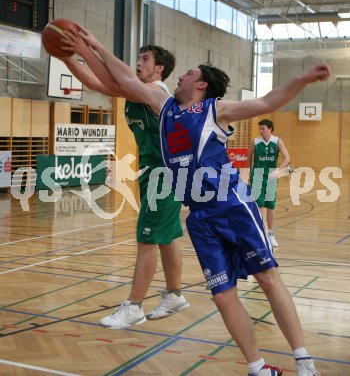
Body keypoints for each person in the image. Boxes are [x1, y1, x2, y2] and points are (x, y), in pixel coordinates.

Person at [61, 26, 329, 376]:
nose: (183, 74)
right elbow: (122, 79)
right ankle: (258, 367)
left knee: (267, 277)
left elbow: (267, 102)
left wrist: (302, 80)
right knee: (222, 294)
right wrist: (92, 44)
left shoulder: (215, 110)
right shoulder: (164, 105)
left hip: (231, 202)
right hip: (200, 216)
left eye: (189, 73)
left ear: (200, 85)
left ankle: (304, 360)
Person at [61, 38, 189, 329]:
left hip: (165, 173)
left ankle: (134, 307)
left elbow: (115, 77)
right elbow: (100, 83)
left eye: (145, 59)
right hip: (154, 172)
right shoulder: (137, 92)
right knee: (166, 238)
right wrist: (67, 57)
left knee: (146, 239)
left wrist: (90, 46)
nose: (139, 62)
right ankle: (175, 294)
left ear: (160, 68)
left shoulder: (156, 91)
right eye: (139, 57)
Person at [248, 119, 291, 249]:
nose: (261, 131)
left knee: (270, 206)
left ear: (270, 129)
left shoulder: (277, 141)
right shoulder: (255, 142)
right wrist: (250, 172)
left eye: (263, 129)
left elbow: (287, 158)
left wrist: (278, 170)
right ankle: (261, 234)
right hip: (258, 176)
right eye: (260, 129)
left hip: (271, 176)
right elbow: (249, 157)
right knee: (259, 205)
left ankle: (271, 234)